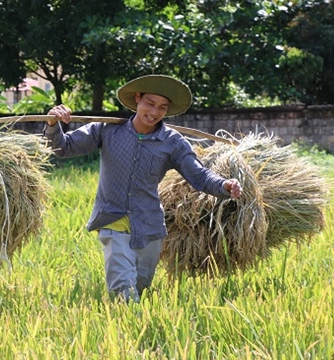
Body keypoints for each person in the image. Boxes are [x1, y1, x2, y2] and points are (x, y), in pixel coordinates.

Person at [43, 74, 242, 302]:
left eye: (162, 107)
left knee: (142, 288)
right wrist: (53, 123)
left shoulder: (172, 142)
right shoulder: (106, 130)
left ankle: (143, 332)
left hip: (149, 226)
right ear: (137, 99)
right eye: (150, 103)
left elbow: (199, 175)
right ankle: (127, 334)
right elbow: (61, 148)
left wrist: (224, 185)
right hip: (113, 221)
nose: (155, 112)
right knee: (124, 291)